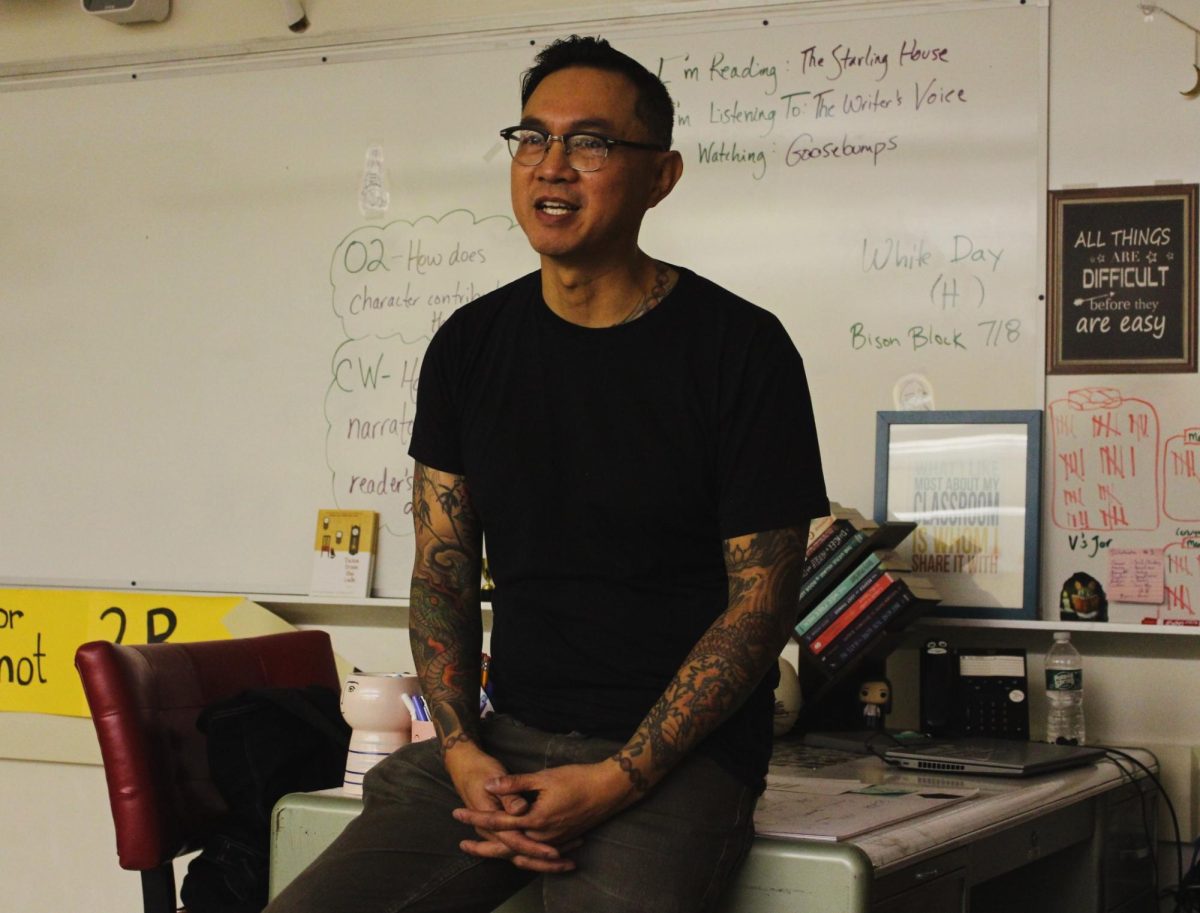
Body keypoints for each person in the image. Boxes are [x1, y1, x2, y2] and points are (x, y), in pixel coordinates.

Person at [267, 34, 827, 913]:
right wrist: (460, 748)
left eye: (591, 143)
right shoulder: (470, 347)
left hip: (677, 759)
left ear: (661, 175)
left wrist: (618, 777)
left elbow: (758, 608)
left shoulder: (741, 351)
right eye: (532, 140)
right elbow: (442, 568)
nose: (552, 167)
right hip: (503, 744)